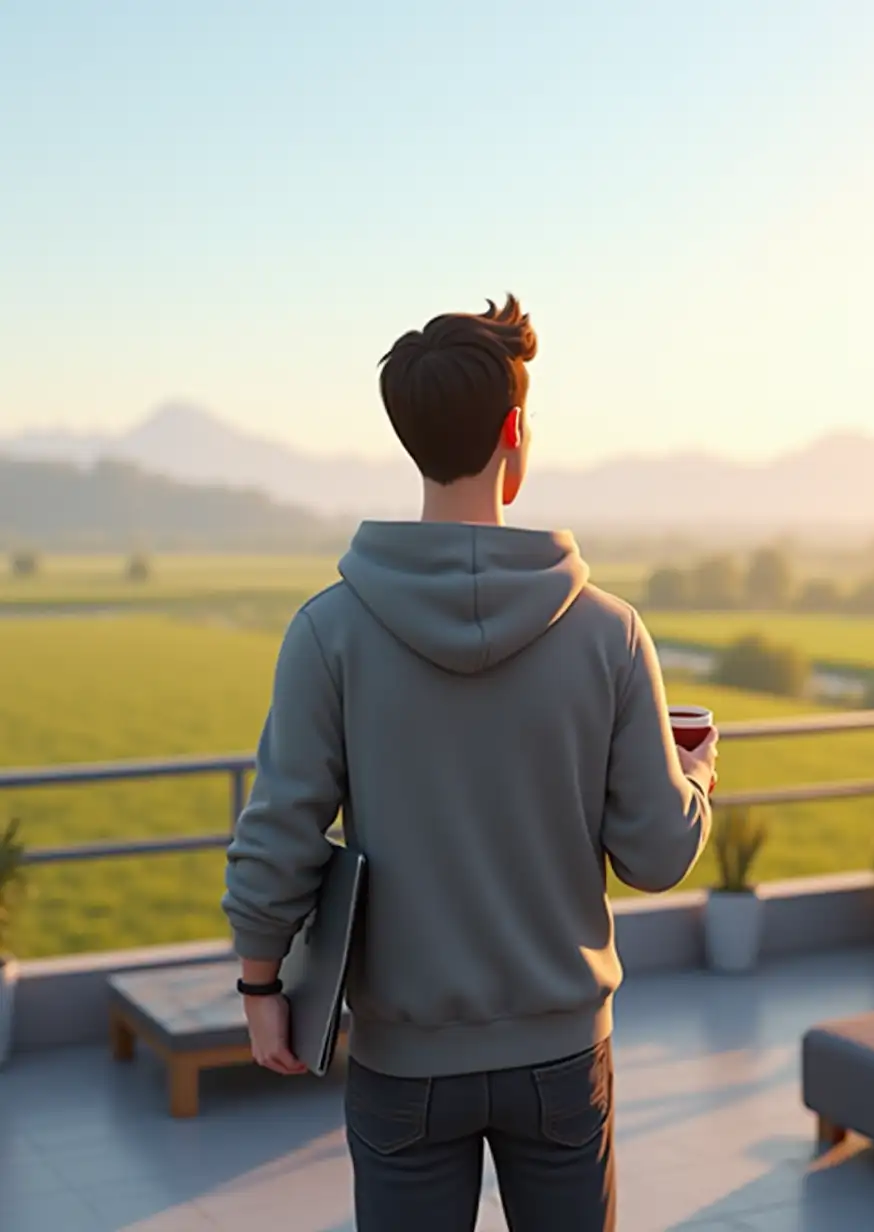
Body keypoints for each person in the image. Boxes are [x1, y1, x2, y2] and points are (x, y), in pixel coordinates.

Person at [222, 294, 717, 1232]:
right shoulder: (611, 634)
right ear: (514, 432)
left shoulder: (330, 631)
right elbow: (657, 856)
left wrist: (259, 990)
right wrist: (696, 776)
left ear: (410, 437)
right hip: (565, 1059)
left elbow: (279, 829)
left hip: (403, 1062)